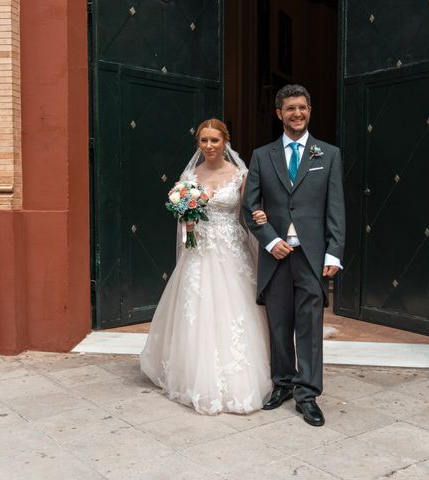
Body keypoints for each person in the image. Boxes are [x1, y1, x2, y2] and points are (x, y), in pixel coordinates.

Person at [140, 119, 272, 415]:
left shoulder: (240, 174)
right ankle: (192, 375)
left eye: (215, 140)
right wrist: (186, 220)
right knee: (196, 308)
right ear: (198, 143)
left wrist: (263, 217)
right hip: (198, 251)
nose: (209, 146)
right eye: (204, 141)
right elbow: (184, 213)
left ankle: (241, 377)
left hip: (231, 250)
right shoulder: (190, 175)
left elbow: (250, 211)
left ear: (226, 141)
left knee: (234, 309)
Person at [242, 84, 345, 426]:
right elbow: (249, 207)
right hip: (276, 258)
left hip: (313, 258)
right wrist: (270, 241)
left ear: (310, 110)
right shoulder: (262, 156)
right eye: (290, 109)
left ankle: (307, 394)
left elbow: (336, 209)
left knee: (310, 328)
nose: (297, 113)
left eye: (302, 107)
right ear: (279, 114)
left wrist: (334, 253)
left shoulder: (328, 154)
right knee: (279, 325)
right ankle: (283, 384)